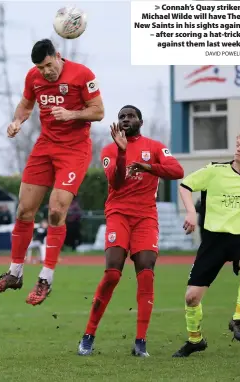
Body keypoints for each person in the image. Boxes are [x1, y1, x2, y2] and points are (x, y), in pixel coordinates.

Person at [0, 38, 104, 305]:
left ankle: (46, 278)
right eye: (41, 68)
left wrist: (72, 114)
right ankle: (15, 273)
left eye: (49, 65)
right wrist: (17, 121)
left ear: (58, 56)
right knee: (24, 209)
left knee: (55, 210)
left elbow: (98, 111)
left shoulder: (83, 74)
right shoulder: (34, 76)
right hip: (45, 146)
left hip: (74, 150)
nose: (46, 72)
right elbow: (26, 105)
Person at [77, 105, 184, 357]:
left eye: (130, 116)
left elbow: (177, 171)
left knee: (146, 273)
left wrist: (149, 167)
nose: (126, 119)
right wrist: (123, 153)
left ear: (140, 121)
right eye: (121, 117)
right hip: (118, 215)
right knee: (113, 273)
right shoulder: (109, 149)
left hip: (146, 217)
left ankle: (140, 342)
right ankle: (88, 336)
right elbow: (116, 181)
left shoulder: (155, 147)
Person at [172, 131, 240, 357]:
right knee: (191, 297)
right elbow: (185, 185)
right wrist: (191, 213)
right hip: (213, 241)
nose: (239, 148)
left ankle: (239, 319)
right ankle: (196, 340)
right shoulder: (215, 171)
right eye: (238, 143)